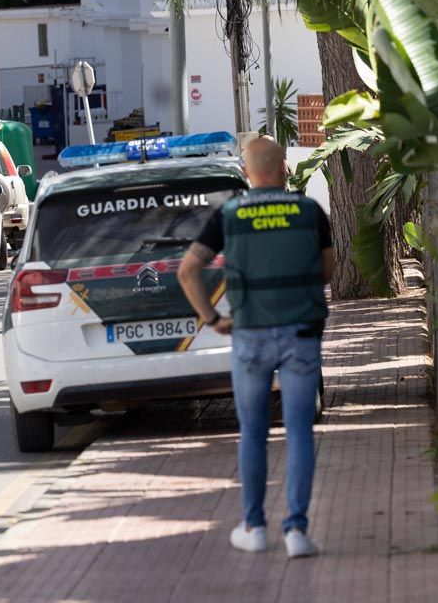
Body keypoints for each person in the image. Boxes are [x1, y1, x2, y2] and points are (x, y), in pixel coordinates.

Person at [178, 136, 334, 559]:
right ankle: (298, 532)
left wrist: (212, 320)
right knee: (300, 431)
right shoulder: (311, 212)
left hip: (249, 336)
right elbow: (326, 270)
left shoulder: (228, 216)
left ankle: (255, 526)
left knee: (253, 432)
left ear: (246, 174)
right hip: (301, 333)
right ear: (284, 168)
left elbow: (188, 271)